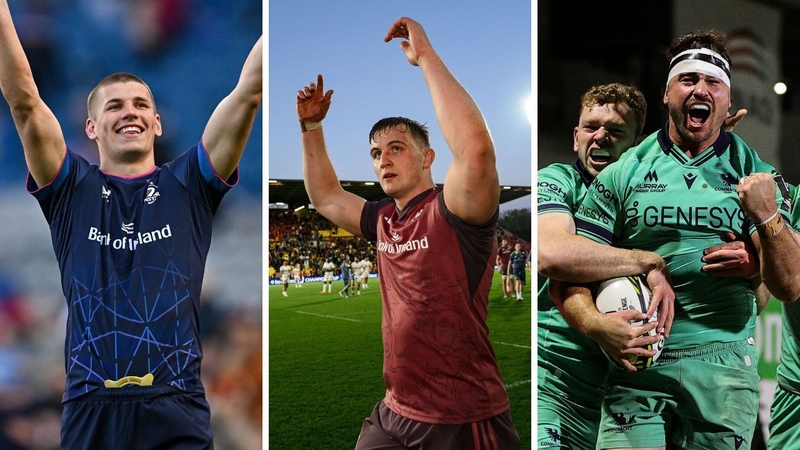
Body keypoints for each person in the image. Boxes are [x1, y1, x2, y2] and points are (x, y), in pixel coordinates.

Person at [0, 2, 263, 448]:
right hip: (90, 410)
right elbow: (24, 100)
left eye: (142, 104)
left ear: (157, 123)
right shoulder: (68, 191)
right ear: (91, 126)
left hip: (176, 408)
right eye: (115, 105)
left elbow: (249, 90)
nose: (130, 112)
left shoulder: (190, 185)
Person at [296, 17, 520, 450]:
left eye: (397, 148)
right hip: (394, 412)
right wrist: (311, 128)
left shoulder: (454, 210)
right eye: (376, 153)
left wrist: (425, 58)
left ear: (427, 157)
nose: (383, 160)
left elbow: (475, 150)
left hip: (463, 417)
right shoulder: (381, 219)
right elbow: (325, 195)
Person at [567, 31, 794, 450]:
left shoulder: (759, 177)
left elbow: (791, 284)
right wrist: (597, 325)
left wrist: (765, 228)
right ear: (666, 93)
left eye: (713, 82)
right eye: (688, 79)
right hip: (637, 366)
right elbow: (568, 268)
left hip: (724, 373)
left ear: (728, 101)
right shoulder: (624, 172)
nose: (700, 89)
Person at [536, 82, 756, 449]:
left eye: (616, 131)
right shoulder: (558, 182)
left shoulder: (646, 197)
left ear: (638, 141)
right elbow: (551, 256)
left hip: (631, 378)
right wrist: (645, 262)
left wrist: (710, 150)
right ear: (575, 137)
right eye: (591, 127)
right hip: (562, 384)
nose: (601, 138)